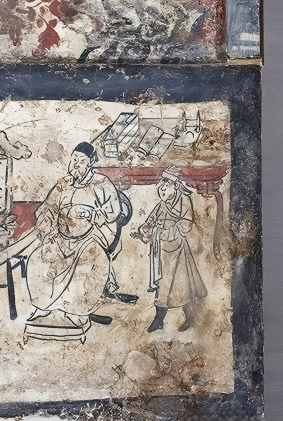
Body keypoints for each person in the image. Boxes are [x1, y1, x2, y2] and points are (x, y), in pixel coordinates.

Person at [26, 141, 124, 331]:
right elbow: (47, 209)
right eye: (74, 159)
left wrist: (93, 214)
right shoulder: (64, 183)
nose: (76, 164)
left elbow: (114, 210)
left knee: (92, 262)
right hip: (61, 237)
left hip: (89, 237)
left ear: (91, 162)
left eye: (81, 160)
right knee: (37, 259)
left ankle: (77, 313)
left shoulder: (101, 183)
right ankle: (43, 307)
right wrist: (47, 229)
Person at [135, 167, 207, 332]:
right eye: (161, 187)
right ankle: (159, 320)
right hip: (162, 250)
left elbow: (187, 223)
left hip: (178, 248)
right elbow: (151, 220)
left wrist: (170, 230)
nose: (162, 190)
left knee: (183, 286)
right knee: (164, 285)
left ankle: (189, 319)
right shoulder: (163, 203)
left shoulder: (184, 200)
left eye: (165, 186)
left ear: (175, 185)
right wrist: (145, 229)